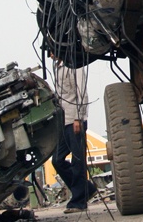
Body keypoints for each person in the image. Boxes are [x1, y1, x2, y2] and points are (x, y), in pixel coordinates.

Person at [52, 63, 97, 214]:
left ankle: (79, 201)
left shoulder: (74, 65)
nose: (51, 54)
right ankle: (87, 189)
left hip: (75, 120)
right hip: (63, 121)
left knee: (77, 161)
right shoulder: (56, 67)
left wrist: (79, 117)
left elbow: (81, 91)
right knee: (57, 160)